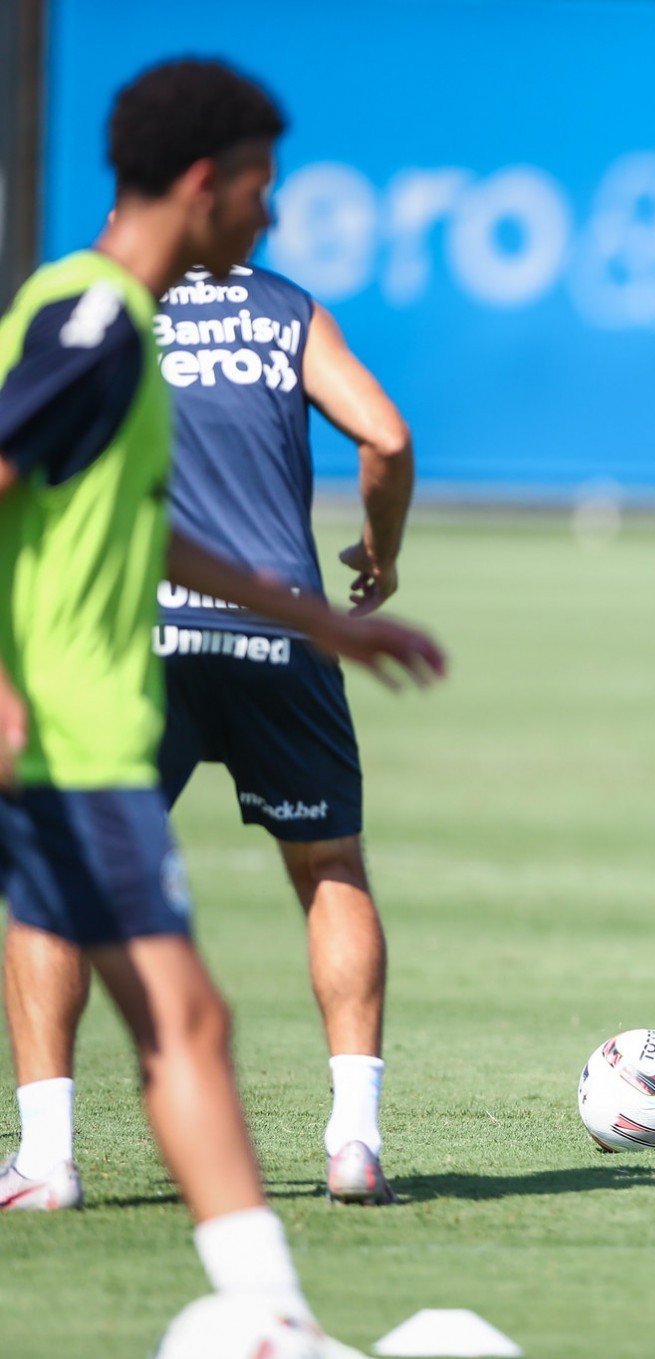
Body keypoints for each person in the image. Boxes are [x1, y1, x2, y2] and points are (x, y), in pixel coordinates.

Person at [0, 57, 440, 1352]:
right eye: (261, 186)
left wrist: (323, 618)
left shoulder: (125, 327)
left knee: (186, 1018)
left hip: (107, 718)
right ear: (203, 184)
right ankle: (265, 1308)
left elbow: (142, 526)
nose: (272, 214)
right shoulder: (86, 320)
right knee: (189, 1012)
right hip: (67, 738)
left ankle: (254, 1299)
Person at [3, 259, 414, 1206]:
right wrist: (379, 554)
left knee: (55, 878)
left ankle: (46, 1157)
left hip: (136, 632)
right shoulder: (285, 308)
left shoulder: (95, 308)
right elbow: (385, 436)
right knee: (329, 867)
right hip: (281, 620)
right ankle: (354, 1141)